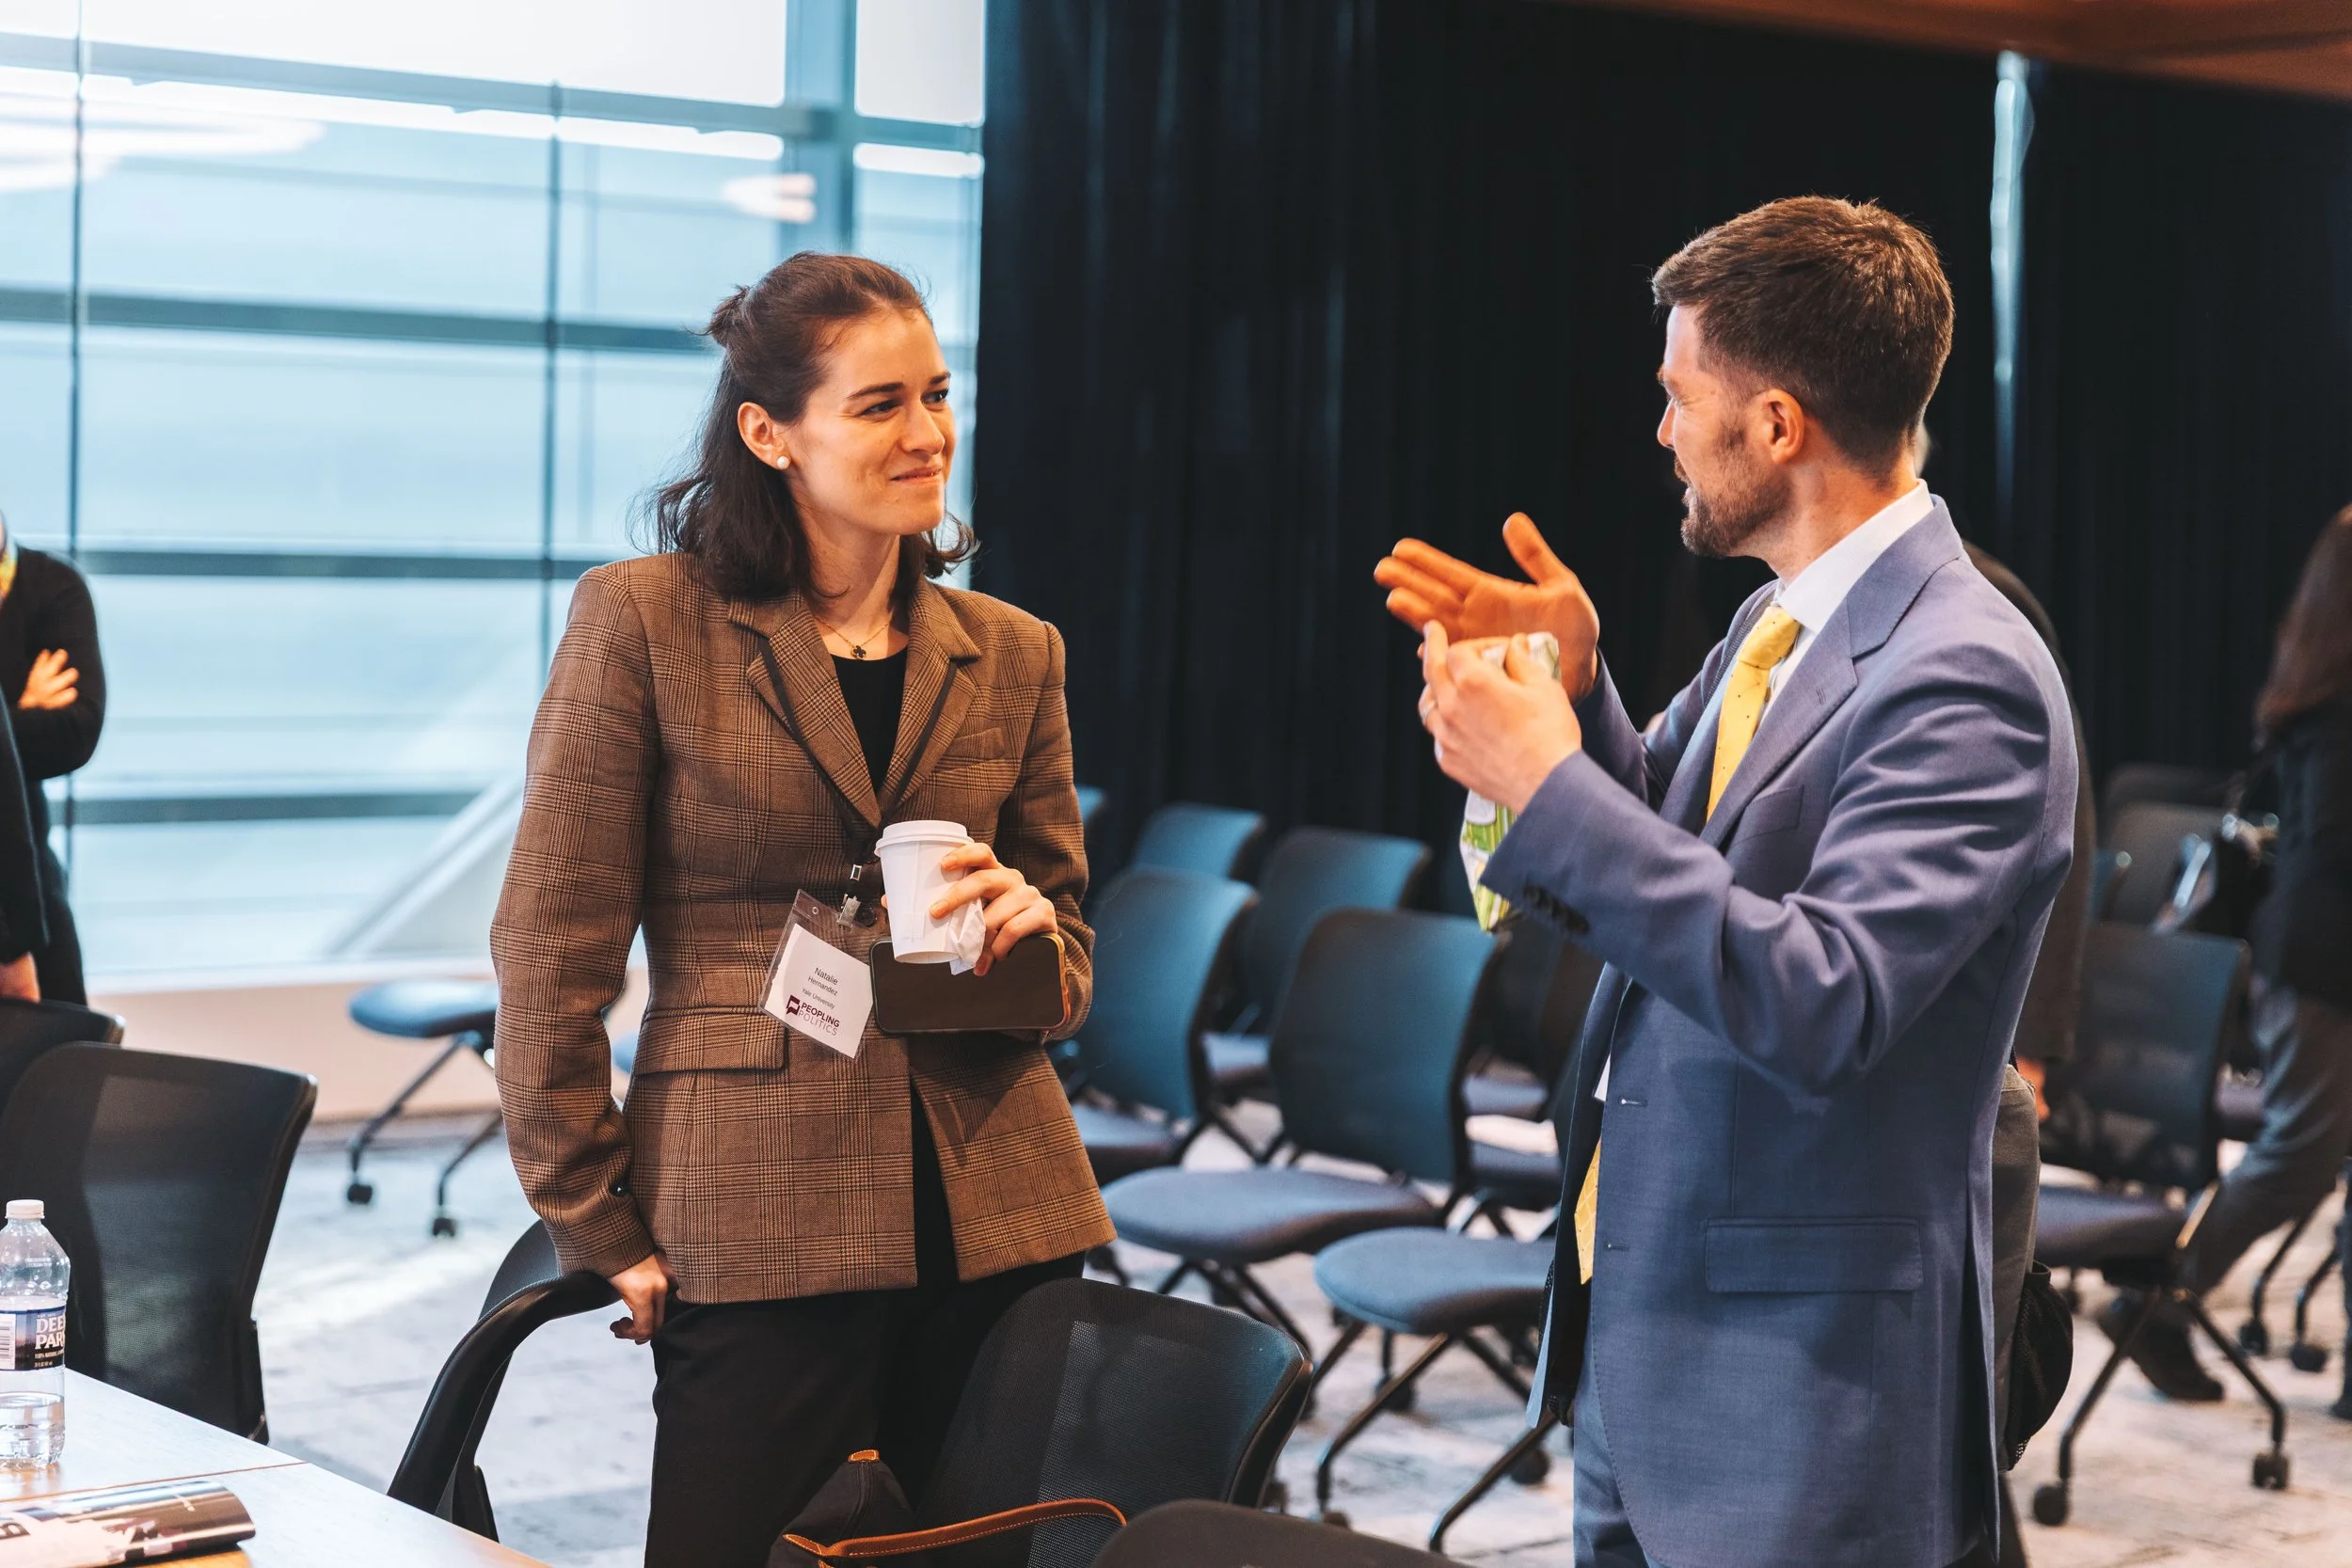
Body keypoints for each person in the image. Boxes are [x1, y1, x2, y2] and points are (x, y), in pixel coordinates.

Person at [1377, 198, 2076, 1568]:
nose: (1661, 429)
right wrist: (1576, 698)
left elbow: (1825, 996)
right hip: (1653, 1331)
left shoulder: (1968, 669)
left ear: (1774, 426)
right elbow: (1680, 863)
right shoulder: (1777, 615)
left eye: (1678, 394)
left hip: (1799, 1385)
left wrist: (1547, 782)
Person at [491, 253, 1111, 1568]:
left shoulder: (1013, 648)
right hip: (751, 1204)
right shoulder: (647, 620)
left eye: (938, 394)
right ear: (770, 432)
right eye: (881, 403)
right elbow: (554, 939)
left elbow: (1067, 960)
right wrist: (589, 1208)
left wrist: (1029, 937)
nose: (930, 431)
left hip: (998, 1197)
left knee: (971, 1555)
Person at [2102, 506, 2352, 1403]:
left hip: (2315, 954)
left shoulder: (2316, 689)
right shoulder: (2335, 702)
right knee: (2301, 1153)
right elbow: (2333, 841)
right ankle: (2154, 1294)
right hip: (2325, 964)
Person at [0, 507, 105, 1002]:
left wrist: (4, 727)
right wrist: (22, 708)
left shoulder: (53, 588)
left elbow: (76, 734)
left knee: (65, 1064)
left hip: (30, 887)